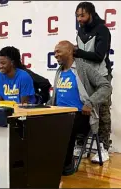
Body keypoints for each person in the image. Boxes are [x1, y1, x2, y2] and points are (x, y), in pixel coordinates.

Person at [47, 41, 112, 176]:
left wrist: (90, 103)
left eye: (58, 51)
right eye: (54, 52)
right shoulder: (59, 71)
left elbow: (106, 86)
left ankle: (66, 166)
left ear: (70, 51)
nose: (55, 55)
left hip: (81, 116)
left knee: (65, 126)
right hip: (59, 114)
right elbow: (55, 97)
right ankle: (47, 163)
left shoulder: (83, 68)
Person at [74, 1, 112, 162]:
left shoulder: (102, 30)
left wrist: (78, 52)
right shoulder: (80, 30)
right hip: (85, 77)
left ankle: (104, 148)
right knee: (82, 109)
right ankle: (80, 145)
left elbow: (98, 56)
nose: (79, 19)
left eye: (82, 15)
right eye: (77, 16)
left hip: (101, 76)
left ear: (90, 13)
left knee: (102, 112)